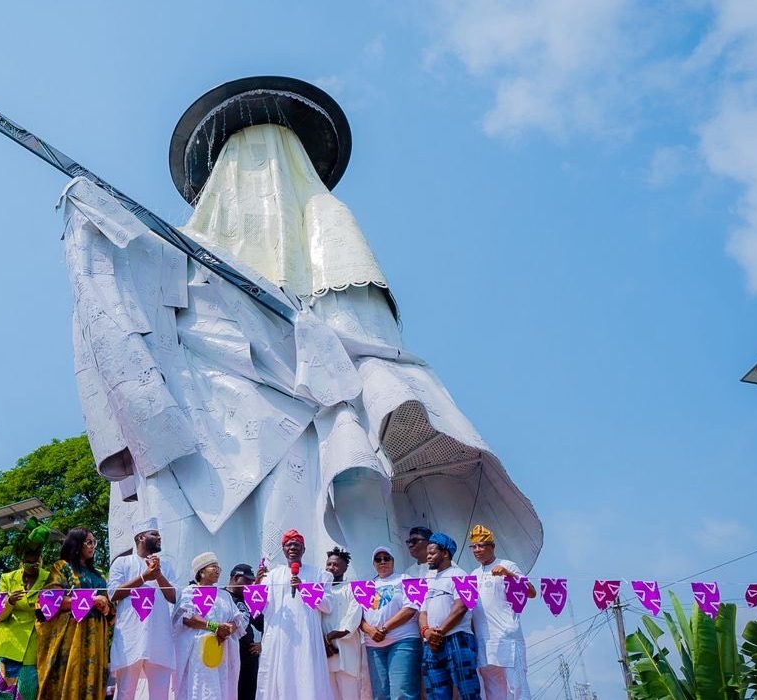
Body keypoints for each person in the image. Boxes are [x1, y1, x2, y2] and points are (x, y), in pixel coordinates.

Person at [63, 77, 544, 583]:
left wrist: (309, 340)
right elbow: (134, 298)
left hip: (307, 414)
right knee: (209, 550)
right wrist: (94, 216)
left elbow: (363, 333)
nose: (256, 181)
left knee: (309, 530)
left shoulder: (322, 220)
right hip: (211, 416)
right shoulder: (184, 251)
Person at [254, 529, 334, 699]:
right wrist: (256, 584)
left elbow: (327, 606)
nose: (292, 548)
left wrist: (304, 589)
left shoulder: (318, 574)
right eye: (288, 545)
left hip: (307, 638)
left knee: (308, 677)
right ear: (283, 549)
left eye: (297, 545)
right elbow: (258, 608)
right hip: (280, 638)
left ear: (304, 549)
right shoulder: (272, 576)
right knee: (282, 677)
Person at [36, 527, 114, 700]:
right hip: (72, 634)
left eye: (94, 542)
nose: (93, 546)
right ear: (77, 544)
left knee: (94, 682)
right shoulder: (62, 567)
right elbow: (49, 600)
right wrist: (90, 600)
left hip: (97, 635)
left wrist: (106, 608)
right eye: (89, 542)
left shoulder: (100, 574)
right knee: (71, 677)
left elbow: (110, 608)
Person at [0, 524, 50, 700]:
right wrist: (9, 602)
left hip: (33, 643)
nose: (32, 565)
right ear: (22, 561)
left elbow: (52, 611)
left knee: (27, 691)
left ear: (40, 558)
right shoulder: (7, 578)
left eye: (36, 561)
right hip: (7, 642)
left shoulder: (49, 578)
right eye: (28, 562)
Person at [108, 518, 178, 699]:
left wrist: (158, 575)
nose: (159, 537)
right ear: (140, 537)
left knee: (160, 695)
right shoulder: (122, 563)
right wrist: (143, 577)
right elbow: (113, 594)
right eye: (154, 534)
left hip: (159, 639)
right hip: (131, 637)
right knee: (125, 692)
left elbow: (173, 597)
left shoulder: (166, 566)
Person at [172, 552, 250, 698]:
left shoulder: (224, 595)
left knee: (221, 689)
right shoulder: (189, 592)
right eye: (213, 567)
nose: (217, 571)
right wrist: (215, 627)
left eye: (218, 568)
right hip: (197, 653)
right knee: (199, 689)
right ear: (201, 572)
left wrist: (229, 628)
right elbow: (186, 617)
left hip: (222, 651)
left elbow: (237, 619)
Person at [468, 525, 533, 699]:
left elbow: (531, 592)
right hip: (483, 641)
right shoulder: (473, 574)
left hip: (507, 637)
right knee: (492, 692)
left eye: (481, 545)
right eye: (474, 546)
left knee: (517, 688)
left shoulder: (507, 565)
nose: (477, 550)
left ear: (492, 546)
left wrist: (509, 574)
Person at [418, 533, 480, 700]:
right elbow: (422, 612)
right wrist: (426, 632)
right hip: (431, 643)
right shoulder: (428, 579)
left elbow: (461, 607)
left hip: (457, 638)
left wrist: (438, 633)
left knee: (468, 692)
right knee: (435, 694)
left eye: (432, 553)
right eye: (428, 553)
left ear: (445, 553)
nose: (428, 557)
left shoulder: (461, 574)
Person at [360, 546, 422, 700]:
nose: (382, 562)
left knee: (402, 692)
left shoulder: (407, 578)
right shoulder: (366, 585)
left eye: (386, 558)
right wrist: (370, 630)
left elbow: (411, 608)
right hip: (374, 645)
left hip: (403, 641)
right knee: (380, 694)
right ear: (373, 564)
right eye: (378, 559)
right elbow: (358, 617)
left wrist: (384, 628)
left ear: (393, 561)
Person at [322, 547, 367, 699]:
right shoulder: (320, 591)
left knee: (350, 694)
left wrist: (333, 636)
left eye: (335, 565)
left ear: (345, 568)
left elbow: (353, 617)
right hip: (326, 652)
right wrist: (323, 640)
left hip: (347, 652)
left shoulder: (352, 588)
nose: (331, 568)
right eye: (328, 564)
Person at [226, 563, 263, 700]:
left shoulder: (250, 599)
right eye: (247, 581)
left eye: (252, 582)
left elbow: (265, 625)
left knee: (248, 694)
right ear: (236, 577)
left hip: (247, 655)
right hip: (226, 654)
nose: (250, 585)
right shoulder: (220, 596)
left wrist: (262, 644)